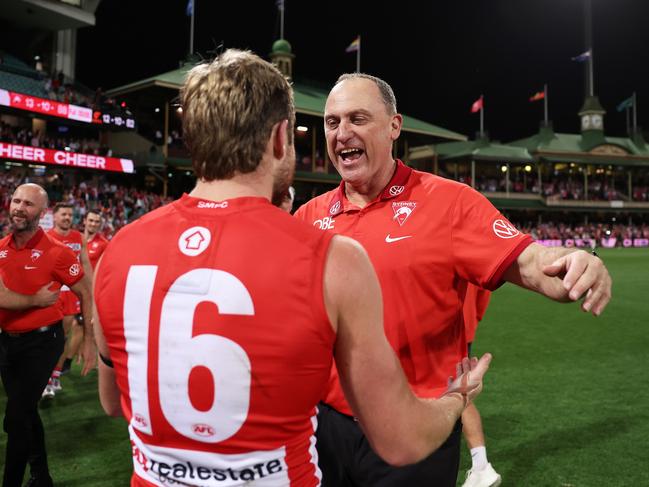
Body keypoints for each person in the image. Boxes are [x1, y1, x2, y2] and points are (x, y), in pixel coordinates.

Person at [92, 49, 492, 487]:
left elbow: (113, 402)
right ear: (282, 138)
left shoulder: (119, 251)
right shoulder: (328, 257)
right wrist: (456, 399)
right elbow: (400, 440)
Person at [294, 72, 612, 486]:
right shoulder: (306, 217)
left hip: (416, 425)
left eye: (358, 118)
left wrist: (577, 261)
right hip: (325, 427)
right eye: (332, 122)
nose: (342, 133)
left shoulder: (450, 202)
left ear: (394, 126)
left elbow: (533, 264)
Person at [0, 183, 96, 487]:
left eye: (28, 204)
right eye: (16, 201)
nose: (19, 208)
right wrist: (34, 301)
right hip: (6, 343)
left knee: (15, 419)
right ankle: (41, 477)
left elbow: (85, 291)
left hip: (42, 343)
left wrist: (90, 341)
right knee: (25, 412)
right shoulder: (0, 247)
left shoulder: (56, 253)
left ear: (41, 213)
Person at [44, 204, 93, 390]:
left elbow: (86, 266)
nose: (67, 217)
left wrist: (92, 289)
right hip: (52, 292)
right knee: (46, 337)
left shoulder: (79, 238)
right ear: (54, 217)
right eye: (63, 214)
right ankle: (44, 375)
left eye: (70, 215)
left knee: (62, 337)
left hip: (72, 293)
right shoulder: (46, 237)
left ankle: (54, 375)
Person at [461, 285, 500, 487]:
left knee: (457, 394)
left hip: (441, 329)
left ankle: (481, 467)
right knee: (457, 393)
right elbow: (484, 288)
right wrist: (472, 320)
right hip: (462, 325)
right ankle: (480, 466)